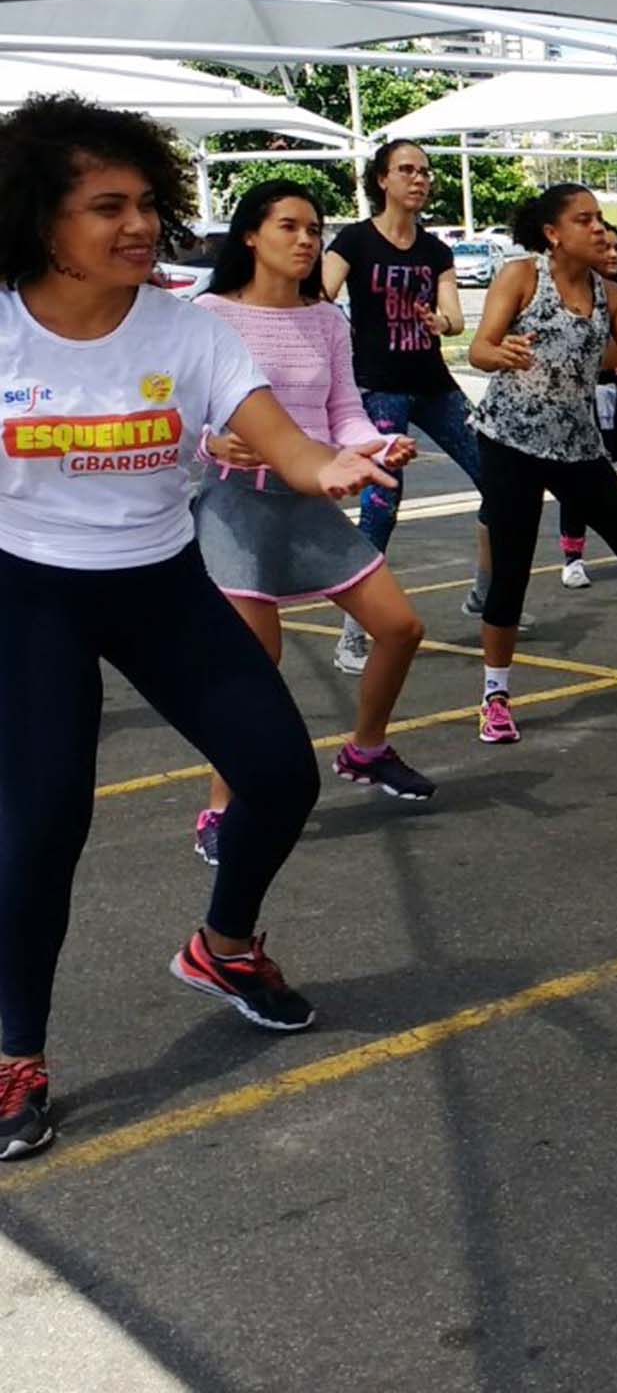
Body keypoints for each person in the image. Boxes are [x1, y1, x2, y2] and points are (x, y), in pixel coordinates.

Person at [0, 96, 394, 1163]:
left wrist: (332, 465)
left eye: (146, 204)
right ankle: (14, 1054)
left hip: (159, 581)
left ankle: (225, 946)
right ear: (42, 219)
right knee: (39, 825)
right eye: (106, 207)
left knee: (280, 774)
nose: (139, 226)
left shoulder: (186, 327)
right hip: (26, 592)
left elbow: (278, 439)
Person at [189, 181, 436, 867]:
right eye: (289, 227)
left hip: (310, 503)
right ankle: (218, 808)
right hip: (237, 507)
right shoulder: (207, 316)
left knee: (400, 626)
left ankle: (365, 750)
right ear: (249, 236)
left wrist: (378, 443)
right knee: (252, 664)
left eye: (315, 229)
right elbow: (180, 420)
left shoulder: (326, 318)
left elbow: (342, 415)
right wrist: (211, 442)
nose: (306, 241)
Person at [465, 186, 617, 745]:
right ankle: (495, 695)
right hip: (511, 440)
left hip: (577, 443)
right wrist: (499, 352)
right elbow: (481, 347)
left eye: (601, 219)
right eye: (585, 220)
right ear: (554, 234)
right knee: (512, 567)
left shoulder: (609, 291)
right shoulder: (521, 275)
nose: (599, 228)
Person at [324, 139, 510, 675]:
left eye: (425, 171)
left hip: (433, 382)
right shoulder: (354, 241)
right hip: (379, 387)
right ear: (382, 180)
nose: (419, 179)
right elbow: (322, 293)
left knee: (498, 480)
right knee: (382, 504)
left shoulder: (435, 251)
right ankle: (354, 633)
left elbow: (454, 317)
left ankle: (482, 594)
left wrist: (442, 323)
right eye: (406, 170)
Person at [556, 220, 617, 590]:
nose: (613, 254)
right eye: (606, 248)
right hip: (585, 401)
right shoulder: (577, 293)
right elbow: (598, 353)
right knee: (578, 479)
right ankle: (573, 558)